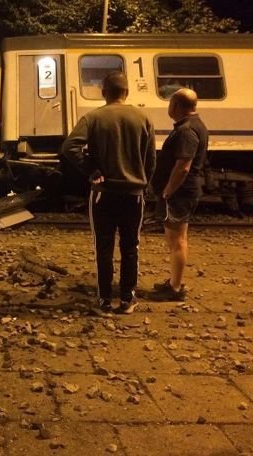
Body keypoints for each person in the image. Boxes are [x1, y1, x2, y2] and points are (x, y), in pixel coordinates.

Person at [62, 71, 156, 315]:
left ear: (104, 92)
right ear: (127, 92)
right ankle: (127, 299)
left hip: (103, 193)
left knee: (103, 248)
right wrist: (143, 183)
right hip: (134, 194)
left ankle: (104, 300)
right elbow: (151, 160)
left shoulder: (93, 117)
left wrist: (91, 170)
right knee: (131, 247)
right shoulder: (143, 118)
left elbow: (70, 146)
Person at [150, 88, 208, 301]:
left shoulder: (186, 131)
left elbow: (183, 166)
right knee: (177, 239)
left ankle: (175, 288)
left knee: (177, 241)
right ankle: (174, 282)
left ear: (175, 105)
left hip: (180, 193)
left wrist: (168, 190)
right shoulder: (196, 125)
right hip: (183, 191)